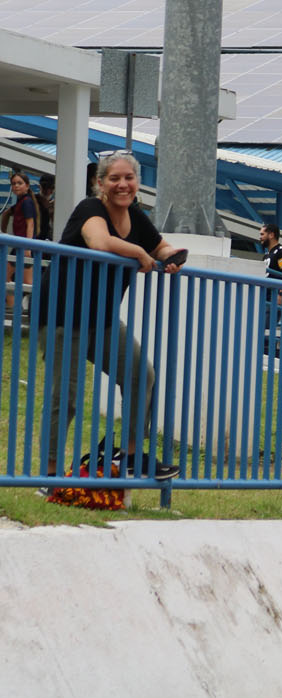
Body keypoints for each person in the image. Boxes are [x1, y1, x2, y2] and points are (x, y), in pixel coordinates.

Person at [39, 153, 189, 482]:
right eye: (114, 178)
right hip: (64, 314)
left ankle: (131, 458)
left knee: (141, 374)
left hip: (102, 318)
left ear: (137, 183)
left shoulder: (136, 216)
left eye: (129, 178)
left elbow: (161, 247)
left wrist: (174, 257)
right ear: (100, 183)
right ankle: (49, 478)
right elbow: (99, 243)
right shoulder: (90, 208)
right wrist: (139, 252)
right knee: (66, 396)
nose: (122, 185)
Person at [3, 170, 40, 308]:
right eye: (13, 184)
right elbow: (7, 213)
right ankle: (14, 307)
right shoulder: (20, 202)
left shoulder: (26, 202)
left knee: (25, 282)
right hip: (21, 247)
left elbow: (31, 224)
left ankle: (20, 308)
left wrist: (28, 247)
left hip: (24, 247)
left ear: (27, 186)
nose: (16, 186)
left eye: (20, 183)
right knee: (22, 281)